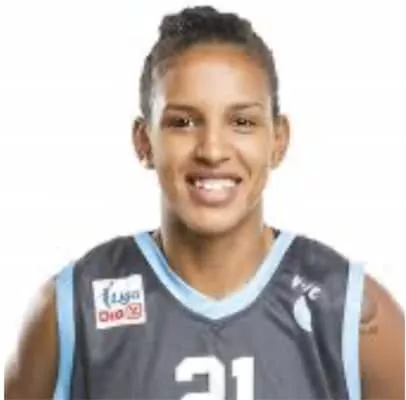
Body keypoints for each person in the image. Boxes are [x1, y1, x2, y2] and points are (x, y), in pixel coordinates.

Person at [5, 6, 404, 400]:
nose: (213, 151)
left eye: (242, 122)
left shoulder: (355, 316)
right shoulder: (72, 309)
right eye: (183, 122)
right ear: (144, 142)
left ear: (278, 140)